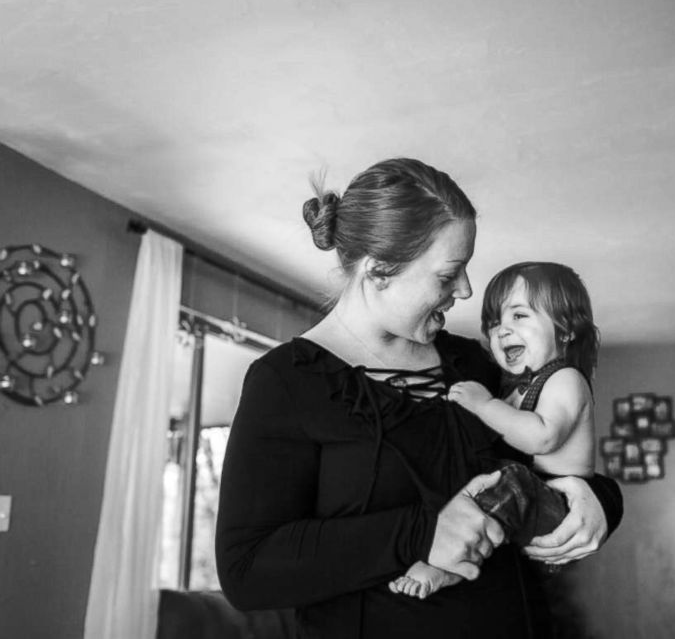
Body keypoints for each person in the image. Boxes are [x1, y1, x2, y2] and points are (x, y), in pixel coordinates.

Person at [215, 158, 623, 639]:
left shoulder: (473, 365)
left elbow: (545, 468)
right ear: (378, 271)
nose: (467, 291)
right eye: (449, 274)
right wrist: (422, 533)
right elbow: (247, 570)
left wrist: (601, 502)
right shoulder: (286, 381)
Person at [389, 261, 598, 599]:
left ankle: (447, 563)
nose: (501, 329)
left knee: (509, 479)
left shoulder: (565, 379)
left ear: (567, 328)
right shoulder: (518, 387)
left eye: (519, 316)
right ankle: (458, 564)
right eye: (494, 321)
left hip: (558, 508)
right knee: (490, 479)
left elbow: (541, 437)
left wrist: (486, 406)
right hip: (527, 507)